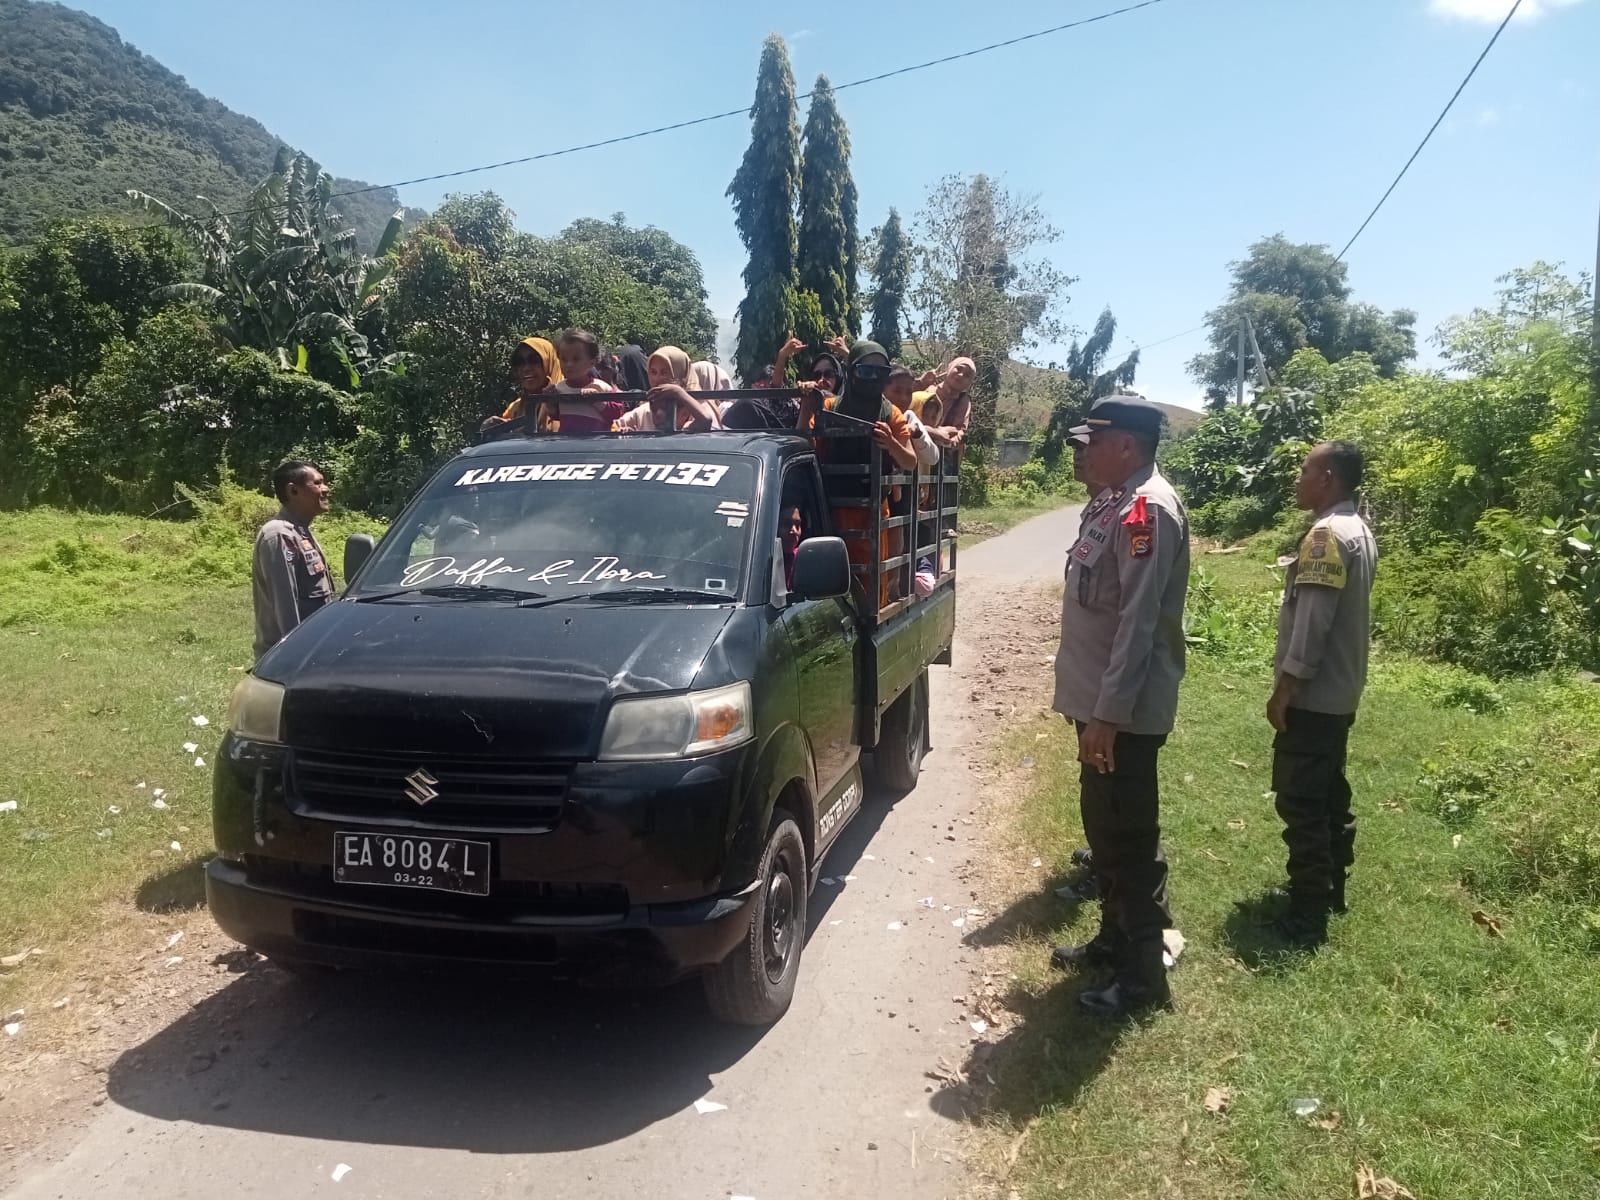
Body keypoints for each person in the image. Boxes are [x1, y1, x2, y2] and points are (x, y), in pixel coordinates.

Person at [1050, 396, 1189, 1018]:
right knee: (1105, 829)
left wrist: (1107, 714)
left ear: (1126, 446)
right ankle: (1114, 940)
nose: (1085, 450)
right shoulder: (1116, 500)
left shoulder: (1147, 509)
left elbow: (1137, 623)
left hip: (1122, 713)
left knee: (1128, 838)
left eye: (1096, 440)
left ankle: (1141, 980)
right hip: (1101, 704)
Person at [1266, 441, 1378, 948]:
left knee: (1302, 801)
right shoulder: (1358, 529)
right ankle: (1330, 888)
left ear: (1327, 477)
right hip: (1341, 691)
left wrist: (1286, 687)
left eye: (1305, 470)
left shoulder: (1327, 534)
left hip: (1314, 696)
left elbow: (1313, 623)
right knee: (1330, 793)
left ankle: (1306, 914)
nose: (1298, 478)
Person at [797, 340, 915, 609]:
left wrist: (891, 443)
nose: (872, 378)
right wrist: (806, 408)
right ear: (851, 372)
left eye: (880, 372)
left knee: (869, 591)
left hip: (870, 515)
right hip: (827, 512)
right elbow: (804, 444)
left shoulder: (891, 414)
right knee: (826, 588)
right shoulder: (829, 407)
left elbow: (910, 461)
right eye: (865, 371)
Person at [253, 461, 335, 659]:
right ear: (293, 491)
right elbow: (286, 604)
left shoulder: (299, 531)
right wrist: (295, 657)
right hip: (291, 657)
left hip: (312, 649)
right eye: (317, 483)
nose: (326, 489)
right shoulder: (279, 535)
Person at [550, 328, 626, 433]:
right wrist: (550, 402)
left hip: (596, 441)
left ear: (592, 362)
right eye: (564, 359)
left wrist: (597, 400)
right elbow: (556, 416)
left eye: (576, 359)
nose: (569, 365)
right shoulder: (559, 388)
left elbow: (618, 413)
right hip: (567, 441)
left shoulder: (601, 387)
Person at [481, 336, 563, 434]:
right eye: (519, 362)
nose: (526, 368)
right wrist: (490, 429)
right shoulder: (515, 408)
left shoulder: (568, 402)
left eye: (534, 360)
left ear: (549, 363)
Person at [913, 356, 976, 451]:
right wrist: (921, 383)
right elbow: (903, 405)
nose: (960, 375)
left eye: (967, 375)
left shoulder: (963, 401)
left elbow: (959, 430)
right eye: (958, 369)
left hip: (937, 452)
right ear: (949, 368)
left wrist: (951, 439)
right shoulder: (928, 389)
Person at [615, 383, 722, 432]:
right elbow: (614, 427)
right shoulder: (643, 420)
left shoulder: (685, 430)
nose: (658, 415)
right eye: (653, 409)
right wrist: (628, 434)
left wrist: (678, 392)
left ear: (685, 413)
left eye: (666, 409)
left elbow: (706, 420)